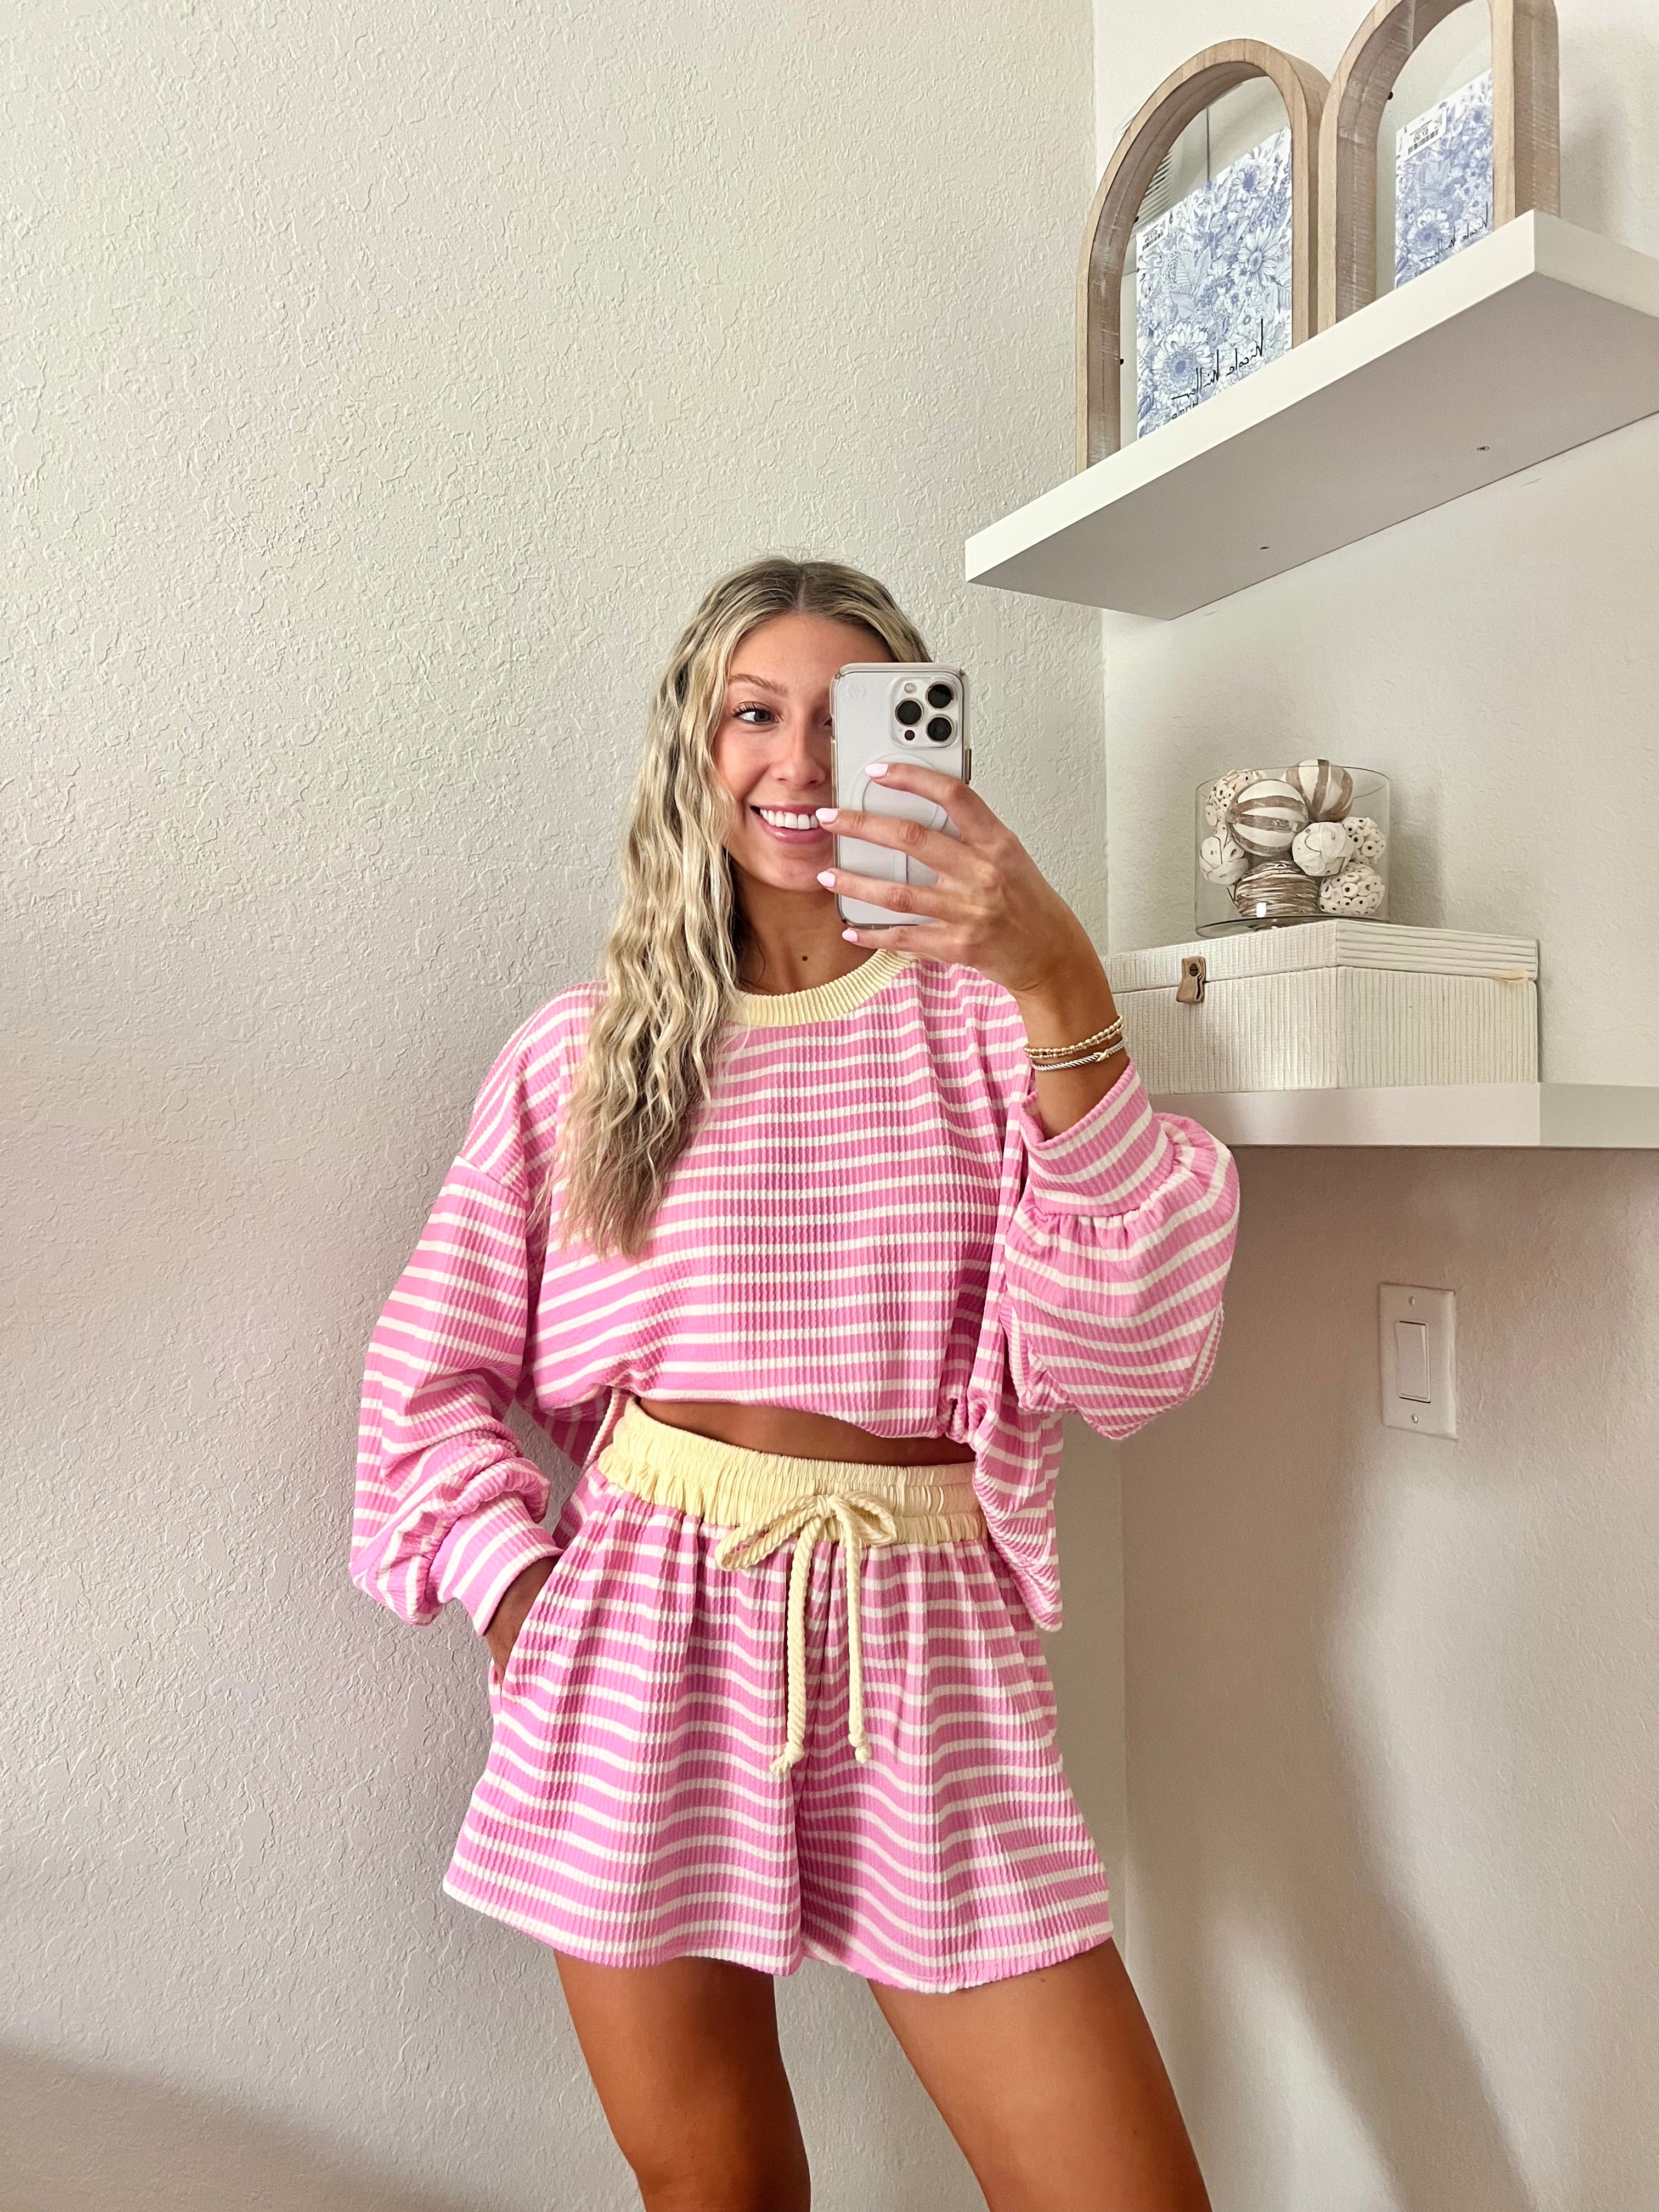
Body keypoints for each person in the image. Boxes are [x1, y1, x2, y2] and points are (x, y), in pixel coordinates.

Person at [350, 555, 1239, 2212]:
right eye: (753, 714)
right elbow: (428, 1372)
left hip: (924, 1638)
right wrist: (521, 1598)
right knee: (721, 2194)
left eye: (850, 717)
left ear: (924, 743)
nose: (800, 761)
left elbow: (1129, 1363)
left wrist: (1060, 977)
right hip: (640, 1636)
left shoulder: (995, 1032)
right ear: (694, 751)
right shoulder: (586, 1055)